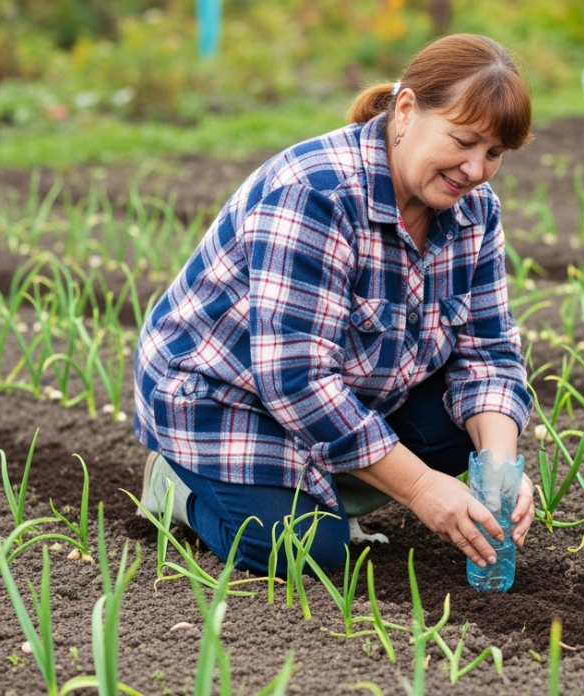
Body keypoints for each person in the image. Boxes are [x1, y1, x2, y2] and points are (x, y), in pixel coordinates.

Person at [133, 34, 535, 577]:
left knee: (463, 430)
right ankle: (175, 485)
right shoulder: (316, 192)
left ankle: (315, 486)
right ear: (408, 110)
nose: (475, 169)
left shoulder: (475, 211)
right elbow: (296, 379)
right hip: (224, 396)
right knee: (302, 551)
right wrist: (419, 488)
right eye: (463, 141)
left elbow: (488, 351)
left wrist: (499, 469)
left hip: (343, 388)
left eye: (493, 154)